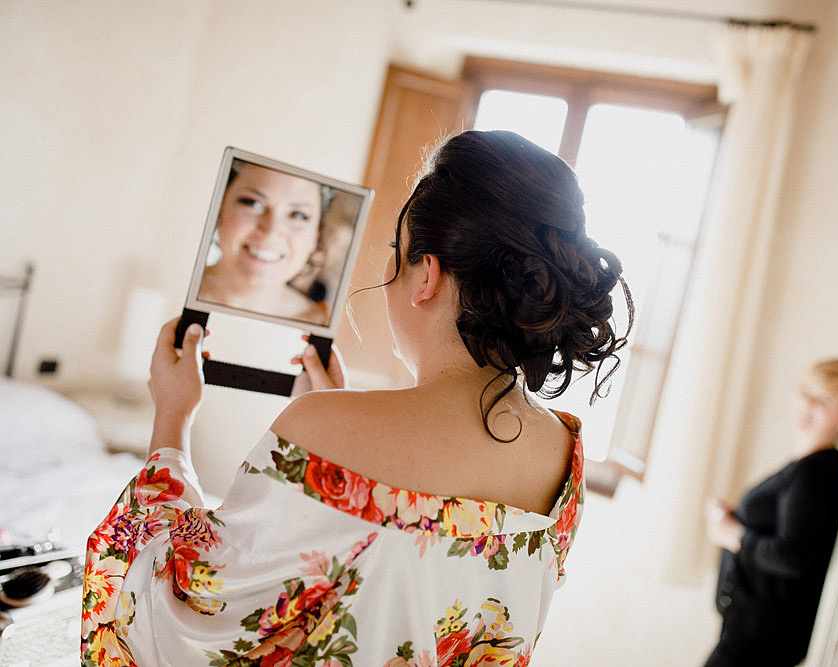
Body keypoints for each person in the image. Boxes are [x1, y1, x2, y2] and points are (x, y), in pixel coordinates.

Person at [81, 130, 633, 665]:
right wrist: (338, 419)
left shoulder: (321, 422)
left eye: (398, 251)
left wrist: (173, 420)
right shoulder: (567, 456)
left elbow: (184, 609)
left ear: (427, 276)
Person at [703, 359, 838, 667]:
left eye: (823, 399)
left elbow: (792, 555)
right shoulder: (809, 469)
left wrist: (733, 533)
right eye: (806, 391)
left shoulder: (815, 473)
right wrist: (736, 517)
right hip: (752, 633)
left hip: (760, 639)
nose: (807, 402)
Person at [197, 159, 332, 324]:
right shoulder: (166, 291)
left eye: (298, 215)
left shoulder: (320, 324)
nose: (271, 232)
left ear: (315, 238)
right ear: (219, 212)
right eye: (252, 203)